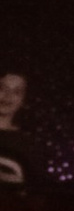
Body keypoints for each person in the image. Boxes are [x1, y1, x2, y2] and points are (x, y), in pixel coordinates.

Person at [0, 72, 39, 203]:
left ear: (23, 100)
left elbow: (32, 195)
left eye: (16, 92)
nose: (8, 96)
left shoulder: (28, 144)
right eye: (2, 88)